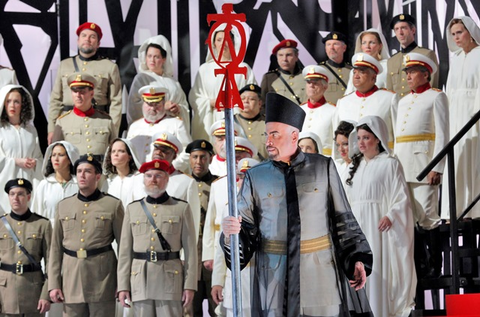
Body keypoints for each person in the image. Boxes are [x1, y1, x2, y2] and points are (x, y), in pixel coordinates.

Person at [221, 93, 372, 316]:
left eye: (274, 134)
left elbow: (343, 218)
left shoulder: (323, 167)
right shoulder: (256, 177)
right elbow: (246, 229)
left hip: (319, 274)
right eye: (266, 134)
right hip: (274, 276)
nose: (268, 141)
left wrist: (357, 258)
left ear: (294, 135)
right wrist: (230, 234)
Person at [345, 116, 416, 317]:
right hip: (358, 228)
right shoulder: (355, 168)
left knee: (377, 272)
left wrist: (391, 215)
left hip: (379, 229)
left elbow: (401, 196)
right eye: (359, 138)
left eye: (366, 137)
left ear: (377, 139)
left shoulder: (390, 164)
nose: (361, 142)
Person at [117, 159, 198, 317]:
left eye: (158, 175)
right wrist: (123, 285)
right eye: (148, 176)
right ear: (143, 180)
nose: (153, 179)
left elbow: (191, 251)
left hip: (170, 279)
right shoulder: (133, 209)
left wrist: (190, 286)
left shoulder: (181, 208)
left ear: (167, 179)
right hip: (140, 279)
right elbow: (125, 252)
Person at [48, 155, 124, 316]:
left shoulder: (112, 205)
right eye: (79, 171)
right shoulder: (64, 206)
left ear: (98, 176)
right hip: (71, 278)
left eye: (87, 171)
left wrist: (122, 282)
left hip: (102, 279)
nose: (82, 175)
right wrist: (54, 283)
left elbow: (124, 248)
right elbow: (55, 249)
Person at [395, 53, 448, 279]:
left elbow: (443, 134)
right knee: (409, 218)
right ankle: (419, 266)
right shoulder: (403, 100)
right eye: (407, 72)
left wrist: (438, 166)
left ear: (426, 74)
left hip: (424, 164)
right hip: (402, 164)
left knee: (428, 216)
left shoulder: (436, 97)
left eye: (413, 71)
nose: (408, 76)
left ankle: (436, 265)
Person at [48, 22, 122, 143]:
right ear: (78, 40)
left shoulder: (109, 67)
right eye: (84, 35)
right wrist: (52, 128)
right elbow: (56, 99)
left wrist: (112, 130)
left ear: (98, 44)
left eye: (92, 36)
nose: (87, 39)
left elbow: (116, 102)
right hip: (68, 124)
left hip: (98, 124)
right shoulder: (64, 65)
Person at [189, 23, 256, 140]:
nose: (223, 43)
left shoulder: (243, 68)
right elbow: (194, 97)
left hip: (236, 119)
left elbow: (253, 95)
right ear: (214, 43)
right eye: (219, 40)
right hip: (211, 117)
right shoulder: (205, 69)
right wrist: (210, 102)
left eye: (227, 39)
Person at [211, 158, 259, 317]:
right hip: (235, 280)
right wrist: (217, 281)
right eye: (240, 176)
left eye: (248, 176)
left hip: (260, 282)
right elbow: (221, 250)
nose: (243, 181)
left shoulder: (268, 208)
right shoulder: (229, 209)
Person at [443, 16, 480, 219]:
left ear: (470, 32)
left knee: (474, 158)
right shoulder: (456, 60)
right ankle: (455, 209)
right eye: (454, 34)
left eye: (460, 32)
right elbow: (449, 92)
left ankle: (473, 209)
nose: (456, 37)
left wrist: (475, 115)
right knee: (457, 157)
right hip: (456, 115)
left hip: (473, 116)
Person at [0, 178, 51, 316]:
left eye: (20, 194)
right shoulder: (0, 225)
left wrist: (45, 295)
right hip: (5, 293)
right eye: (12, 194)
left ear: (28, 197)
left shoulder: (42, 224)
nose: (15, 198)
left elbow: (51, 263)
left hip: (33, 292)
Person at [335, 53, 398, 151]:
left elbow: (397, 134)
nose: (356, 76)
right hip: (350, 160)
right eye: (354, 72)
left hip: (380, 157)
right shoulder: (343, 102)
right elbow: (337, 139)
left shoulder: (389, 98)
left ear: (373, 77)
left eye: (361, 72)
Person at [127, 35, 190, 131]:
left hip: (172, 128)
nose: (152, 60)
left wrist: (178, 108)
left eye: (156, 57)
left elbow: (184, 105)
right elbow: (134, 107)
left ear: (164, 59)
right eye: (149, 56)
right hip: (152, 130)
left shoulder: (173, 82)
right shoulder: (142, 78)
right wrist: (162, 107)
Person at [184, 140, 219, 316]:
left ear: (211, 159)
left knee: (216, 305)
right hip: (190, 251)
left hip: (211, 250)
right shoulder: (182, 183)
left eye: (203, 157)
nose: (199, 161)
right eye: (195, 157)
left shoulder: (217, 184)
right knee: (191, 307)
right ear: (189, 159)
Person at [52, 73, 117, 161]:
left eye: (82, 92)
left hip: (101, 172)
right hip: (76, 173)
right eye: (75, 91)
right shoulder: (62, 122)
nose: (78, 95)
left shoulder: (106, 120)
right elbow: (55, 154)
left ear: (91, 93)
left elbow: (114, 150)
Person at [127, 85, 191, 172]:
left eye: (157, 104)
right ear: (143, 104)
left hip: (166, 176)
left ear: (164, 103)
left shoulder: (176, 124)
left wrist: (170, 169)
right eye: (149, 104)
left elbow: (188, 151)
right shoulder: (134, 126)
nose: (153, 108)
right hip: (137, 176)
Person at [0, 84, 43, 213]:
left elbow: (39, 156)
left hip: (28, 180)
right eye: (8, 101)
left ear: (23, 105)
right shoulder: (1, 129)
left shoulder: (30, 130)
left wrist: (35, 162)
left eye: (16, 101)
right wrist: (15, 162)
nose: (12, 105)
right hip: (6, 182)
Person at [386, 14, 439, 98]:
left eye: (404, 28)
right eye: (396, 29)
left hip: (419, 106)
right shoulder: (391, 60)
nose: (400, 32)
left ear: (413, 30)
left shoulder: (426, 54)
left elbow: (432, 87)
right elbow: (389, 92)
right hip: (398, 108)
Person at [32, 141, 80, 225]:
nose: (56, 159)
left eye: (61, 155)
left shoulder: (78, 185)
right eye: (53, 155)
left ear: (70, 159)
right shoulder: (44, 185)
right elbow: (37, 213)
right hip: (50, 232)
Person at [300, 65, 336, 156]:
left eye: (315, 82)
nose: (311, 85)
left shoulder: (334, 111)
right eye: (308, 82)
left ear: (325, 87)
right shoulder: (299, 110)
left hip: (323, 160)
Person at [260, 39, 306, 105]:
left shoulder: (306, 75)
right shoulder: (269, 78)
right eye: (281, 55)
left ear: (296, 56)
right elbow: (262, 103)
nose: (284, 59)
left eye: (288, 55)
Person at [345, 28, 390, 94]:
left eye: (372, 42)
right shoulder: (354, 70)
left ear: (380, 46)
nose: (367, 46)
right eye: (364, 43)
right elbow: (349, 94)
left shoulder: (388, 66)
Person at [102, 138, 142, 207]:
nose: (116, 154)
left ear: (130, 157)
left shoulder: (139, 179)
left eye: (121, 151)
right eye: (113, 151)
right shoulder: (108, 182)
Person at [235, 84, 267, 161]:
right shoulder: (230, 122)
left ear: (259, 103)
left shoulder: (269, 123)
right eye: (242, 99)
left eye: (251, 99)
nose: (246, 101)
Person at [320, 32, 352, 104]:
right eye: (328, 45)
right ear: (325, 49)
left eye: (335, 44)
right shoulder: (319, 71)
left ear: (344, 48)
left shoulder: (352, 71)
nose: (331, 47)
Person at [333, 121, 355, 187]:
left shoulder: (363, 168)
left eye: (345, 144)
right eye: (338, 145)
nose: (341, 149)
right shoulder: (339, 169)